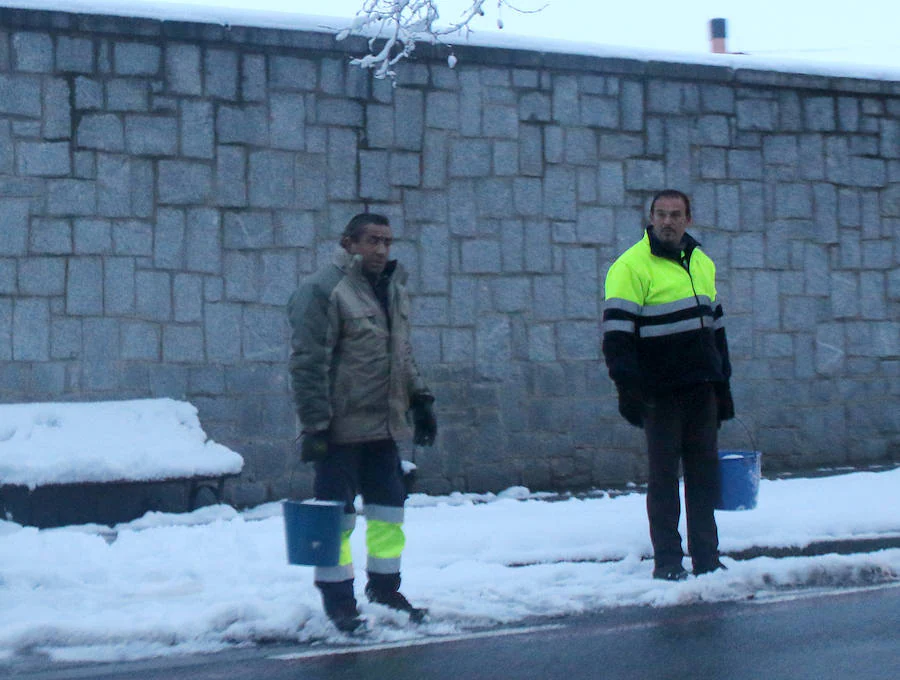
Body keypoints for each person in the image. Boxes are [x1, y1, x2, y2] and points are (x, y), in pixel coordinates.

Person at [287, 213, 437, 632]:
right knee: (334, 520)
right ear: (348, 242)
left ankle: (386, 590)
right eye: (372, 241)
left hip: (383, 427)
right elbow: (307, 363)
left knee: (389, 513)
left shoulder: (393, 288)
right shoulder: (323, 290)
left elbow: (400, 354)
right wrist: (315, 426)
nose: (381, 250)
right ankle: (338, 601)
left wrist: (421, 399)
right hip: (339, 430)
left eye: (387, 242)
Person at [601, 189, 735, 581]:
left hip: (701, 389)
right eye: (661, 214)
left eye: (676, 215)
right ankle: (668, 562)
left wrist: (722, 385)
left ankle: (707, 558)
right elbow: (617, 338)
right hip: (659, 393)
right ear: (651, 217)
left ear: (688, 219)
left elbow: (717, 330)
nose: (668, 221)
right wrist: (628, 389)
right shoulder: (630, 266)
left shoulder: (701, 262)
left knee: (703, 478)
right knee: (663, 481)